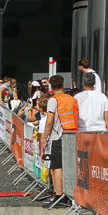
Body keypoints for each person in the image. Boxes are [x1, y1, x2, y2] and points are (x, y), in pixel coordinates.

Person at [41, 75, 77, 207]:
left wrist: (44, 138)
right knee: (67, 167)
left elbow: (49, 121)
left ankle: (59, 195)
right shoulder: (71, 99)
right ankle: (66, 194)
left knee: (57, 167)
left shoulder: (53, 100)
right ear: (63, 85)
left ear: (51, 87)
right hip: (71, 135)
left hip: (57, 137)